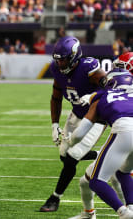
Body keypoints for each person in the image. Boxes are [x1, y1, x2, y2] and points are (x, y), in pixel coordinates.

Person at [40, 36, 107, 212]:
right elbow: (56, 97)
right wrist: (54, 124)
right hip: (76, 115)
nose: (60, 64)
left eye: (63, 59)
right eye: (58, 60)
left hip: (96, 118)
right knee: (64, 155)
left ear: (74, 56)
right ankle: (100, 154)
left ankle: (55, 198)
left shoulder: (88, 68)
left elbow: (111, 87)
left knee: (72, 158)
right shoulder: (56, 69)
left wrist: (94, 97)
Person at [70, 52, 133, 219]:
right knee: (120, 173)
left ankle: (125, 212)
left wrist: (69, 143)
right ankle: (90, 213)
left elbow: (80, 133)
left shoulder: (104, 94)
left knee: (97, 180)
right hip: (124, 135)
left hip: (124, 133)